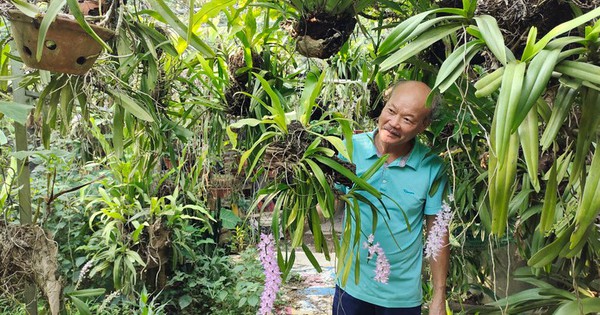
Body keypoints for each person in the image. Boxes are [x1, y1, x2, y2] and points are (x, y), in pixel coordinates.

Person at [332, 81, 450, 315]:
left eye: (407, 119)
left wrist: (439, 296)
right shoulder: (348, 149)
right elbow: (327, 207)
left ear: (424, 125)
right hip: (351, 286)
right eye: (391, 111)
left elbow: (438, 234)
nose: (394, 123)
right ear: (384, 105)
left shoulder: (432, 168)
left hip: (401, 299)